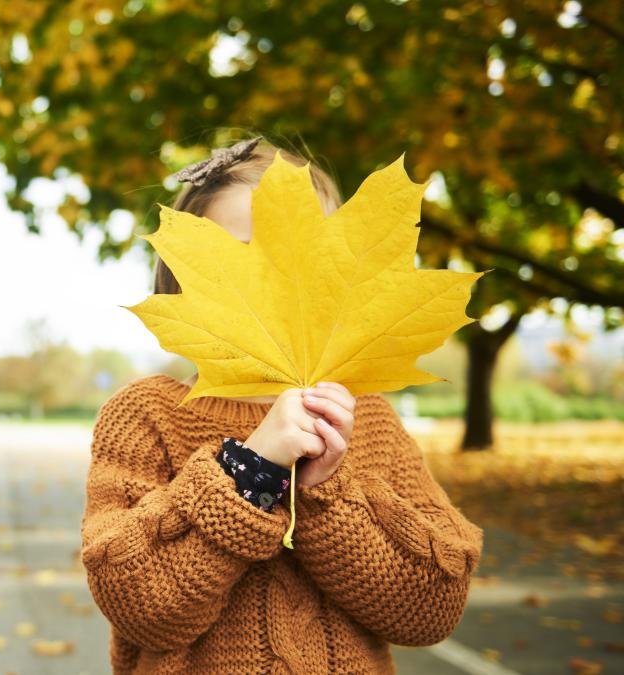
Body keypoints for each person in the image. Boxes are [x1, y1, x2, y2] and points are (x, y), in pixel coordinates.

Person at [80, 136, 484, 674]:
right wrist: (250, 473)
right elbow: (140, 607)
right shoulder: (147, 414)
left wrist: (325, 496)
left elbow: (433, 607)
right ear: (181, 280)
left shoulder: (370, 422)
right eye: (245, 258)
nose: (277, 281)